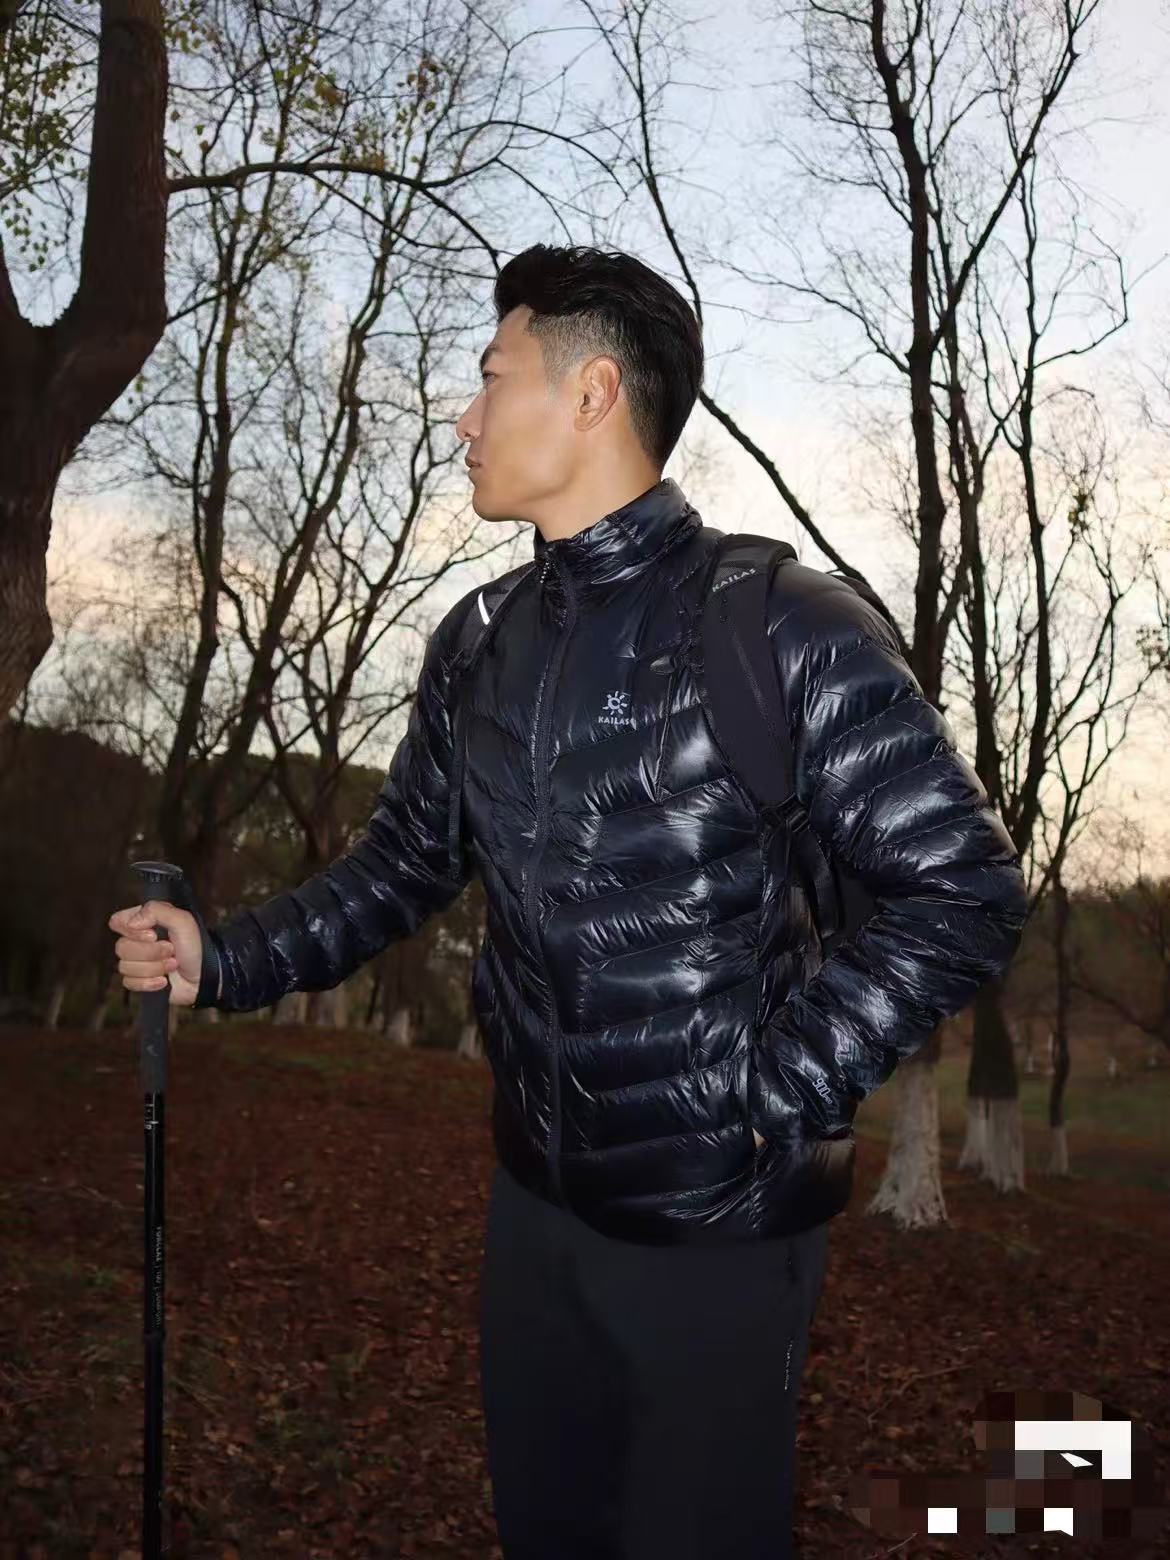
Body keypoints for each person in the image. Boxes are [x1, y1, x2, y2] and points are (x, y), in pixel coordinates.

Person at [109, 244, 1029, 1558]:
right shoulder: (477, 642)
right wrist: (224, 957)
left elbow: (962, 886)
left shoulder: (781, 623)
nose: (463, 417)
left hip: (714, 1236)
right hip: (533, 1213)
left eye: (491, 379)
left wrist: (769, 1094)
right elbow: (404, 861)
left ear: (591, 393)